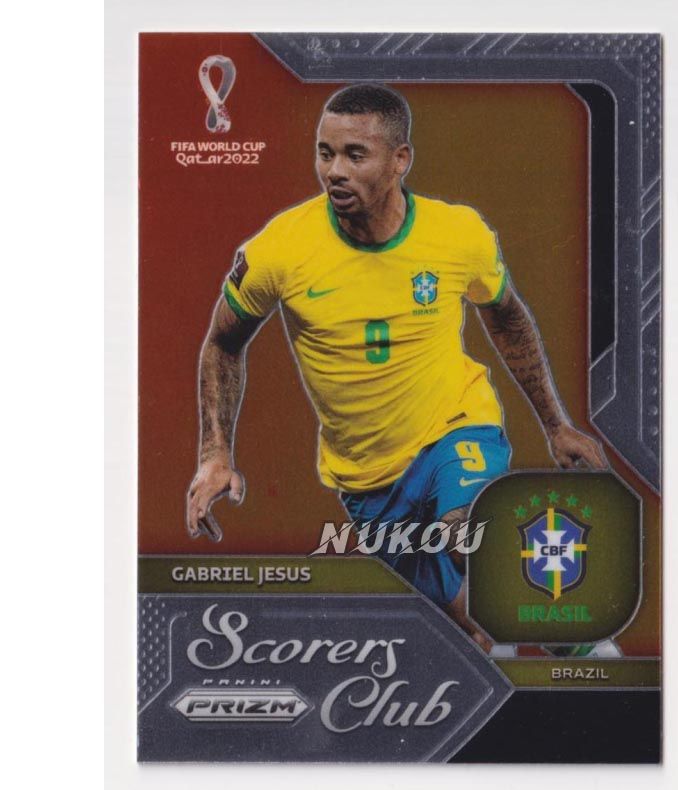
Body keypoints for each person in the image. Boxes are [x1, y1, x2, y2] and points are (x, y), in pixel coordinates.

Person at [186, 83, 607, 652]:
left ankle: (581, 650)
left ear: (399, 160)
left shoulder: (457, 235)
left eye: (354, 155)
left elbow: (507, 318)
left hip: (454, 426)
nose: (334, 171)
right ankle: (510, 660)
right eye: (324, 153)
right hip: (366, 477)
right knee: (469, 625)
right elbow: (222, 342)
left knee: (466, 532)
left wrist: (556, 425)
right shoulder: (280, 250)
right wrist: (215, 453)